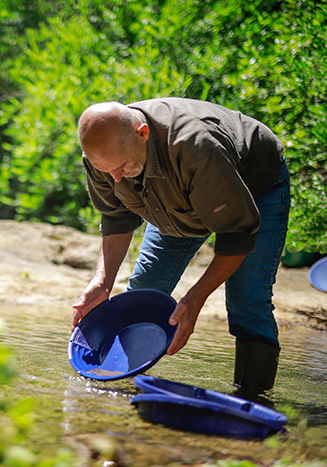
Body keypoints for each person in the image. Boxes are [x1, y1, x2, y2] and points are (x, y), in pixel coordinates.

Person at [72, 97, 290, 391]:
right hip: (174, 200)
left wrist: (194, 298)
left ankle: (254, 399)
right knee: (143, 291)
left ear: (142, 133)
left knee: (247, 303)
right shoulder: (105, 156)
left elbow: (236, 237)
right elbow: (117, 218)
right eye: (106, 171)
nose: (115, 178)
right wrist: (102, 281)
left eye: (122, 167)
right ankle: (114, 386)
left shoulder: (197, 147)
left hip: (255, 184)